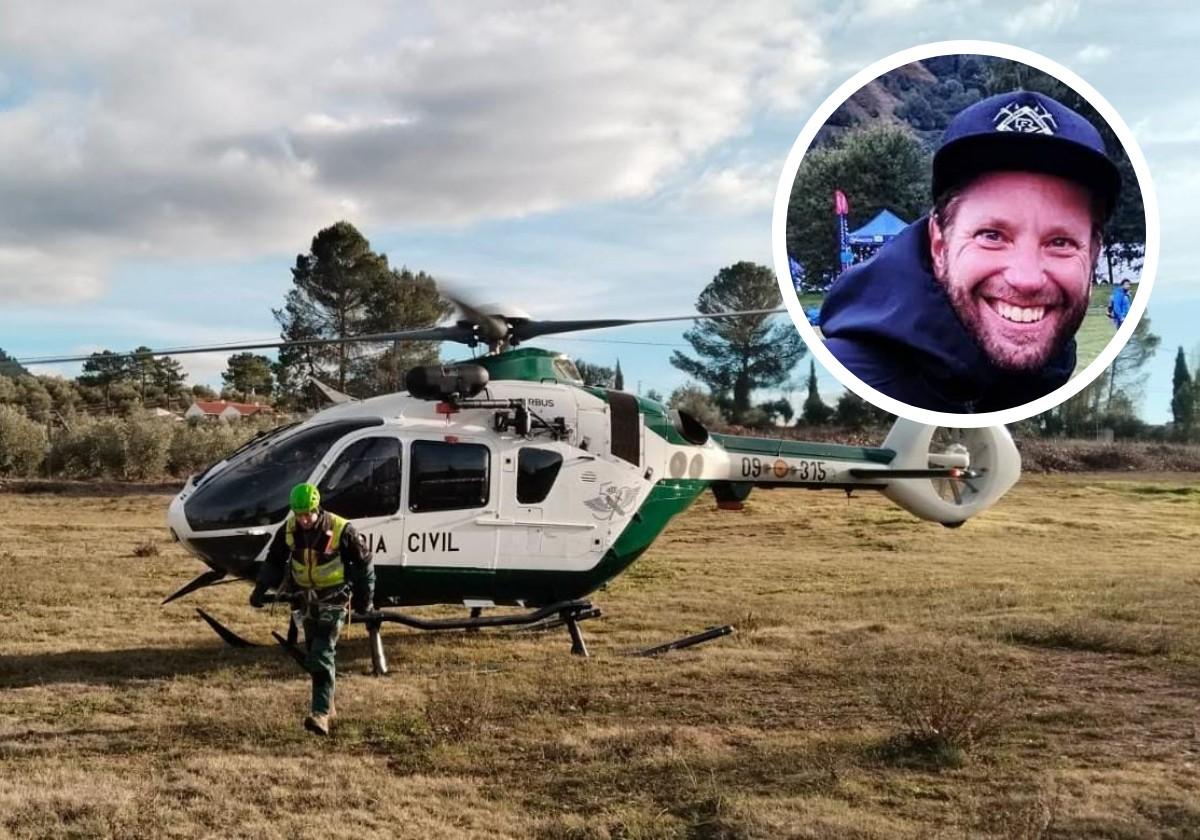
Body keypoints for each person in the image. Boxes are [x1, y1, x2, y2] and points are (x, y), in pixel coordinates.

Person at [818, 89, 1122, 413]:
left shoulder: (1049, 379)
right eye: (992, 235)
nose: (1027, 278)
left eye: (1060, 243)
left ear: (1092, 253)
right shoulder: (848, 382)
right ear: (939, 244)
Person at [250, 482, 375, 736]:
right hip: (305, 600)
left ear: (318, 508)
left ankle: (319, 715)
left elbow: (364, 565)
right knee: (314, 654)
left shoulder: (342, 529)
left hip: (335, 598)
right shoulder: (288, 529)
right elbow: (274, 559)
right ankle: (328, 705)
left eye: (308, 514)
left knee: (321, 652)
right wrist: (260, 589)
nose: (304, 520)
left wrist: (366, 600)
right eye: (299, 514)